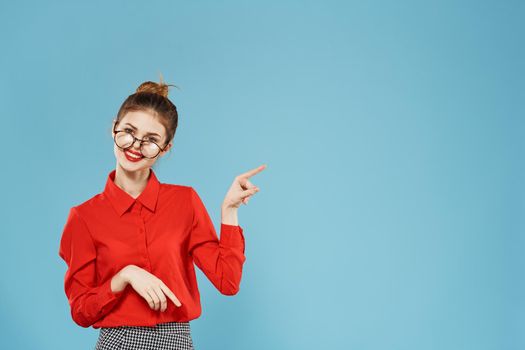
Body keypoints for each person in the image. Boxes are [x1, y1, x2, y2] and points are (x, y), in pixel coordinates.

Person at [58, 75, 266, 350]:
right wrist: (124, 276)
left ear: (165, 148)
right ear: (114, 128)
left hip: (176, 341)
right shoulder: (84, 217)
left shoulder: (185, 201)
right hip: (117, 343)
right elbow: (81, 311)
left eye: (151, 139)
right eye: (129, 131)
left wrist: (229, 211)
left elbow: (227, 282)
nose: (135, 145)